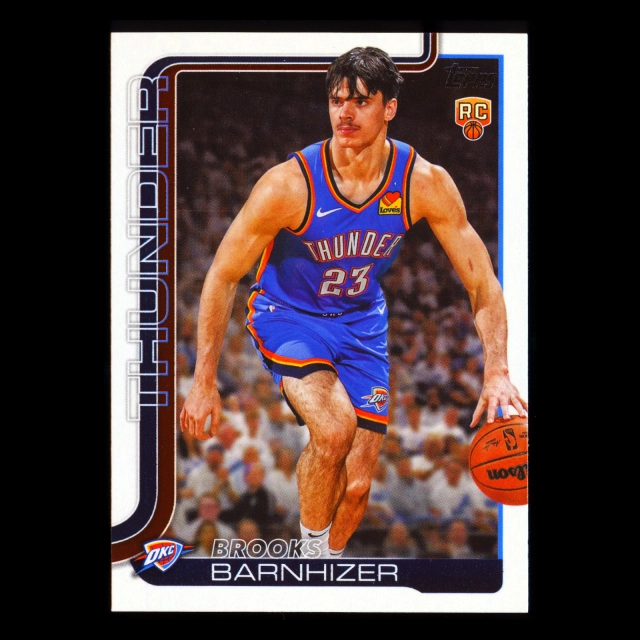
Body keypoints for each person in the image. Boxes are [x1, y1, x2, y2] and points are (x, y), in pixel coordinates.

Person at [180, 46, 527, 558]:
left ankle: (328, 559)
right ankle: (311, 562)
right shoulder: (289, 184)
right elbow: (222, 274)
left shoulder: (422, 182)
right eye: (336, 100)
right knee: (334, 428)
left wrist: (496, 369)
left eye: (360, 101)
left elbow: (482, 283)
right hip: (289, 315)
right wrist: (203, 380)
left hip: (362, 321)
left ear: (389, 108)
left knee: (359, 487)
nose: (344, 112)